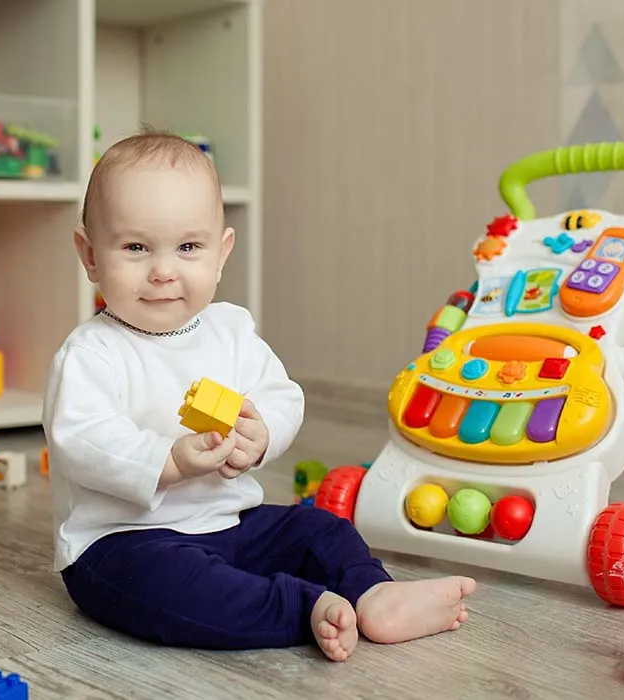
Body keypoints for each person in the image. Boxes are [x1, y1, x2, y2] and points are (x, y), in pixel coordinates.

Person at [42, 131, 476, 662]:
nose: (163, 270)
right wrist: (167, 460)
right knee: (171, 586)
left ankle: (372, 593)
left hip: (233, 524)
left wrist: (262, 432)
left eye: (188, 247)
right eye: (135, 247)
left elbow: (280, 394)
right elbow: (83, 441)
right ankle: (304, 608)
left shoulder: (230, 331)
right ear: (89, 255)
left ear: (221, 254)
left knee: (320, 527)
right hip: (126, 541)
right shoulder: (92, 353)